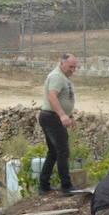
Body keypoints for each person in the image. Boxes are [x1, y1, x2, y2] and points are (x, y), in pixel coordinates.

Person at [38, 53, 79, 195]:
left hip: (52, 117)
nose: (73, 70)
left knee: (54, 153)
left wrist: (69, 115)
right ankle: (66, 186)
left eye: (75, 67)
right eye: (70, 66)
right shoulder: (56, 76)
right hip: (52, 118)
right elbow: (52, 96)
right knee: (62, 151)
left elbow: (63, 98)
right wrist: (62, 115)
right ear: (62, 63)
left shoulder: (63, 77)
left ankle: (43, 185)